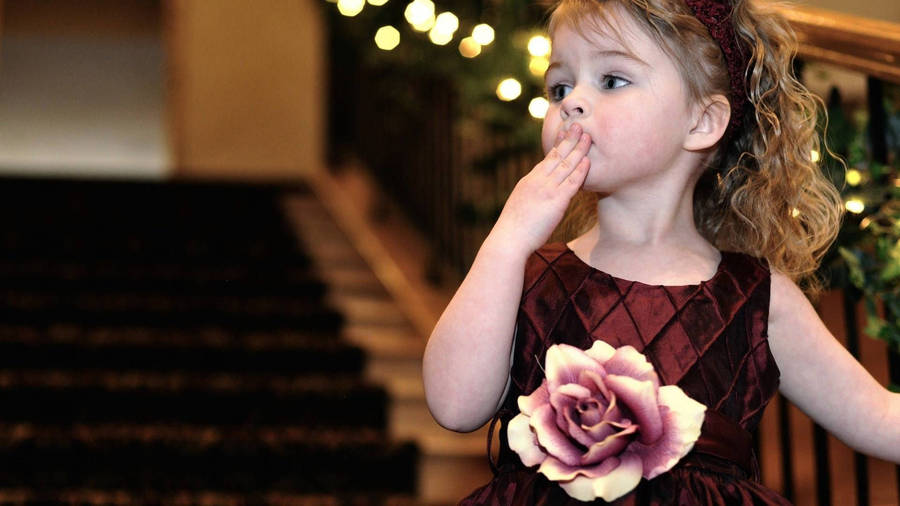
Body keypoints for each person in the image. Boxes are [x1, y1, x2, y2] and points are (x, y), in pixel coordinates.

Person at [422, 0, 900, 503]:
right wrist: (507, 239)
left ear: (701, 121)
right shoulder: (526, 275)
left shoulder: (755, 299)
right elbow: (455, 407)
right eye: (560, 87)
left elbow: (882, 420)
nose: (571, 103)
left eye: (611, 80)